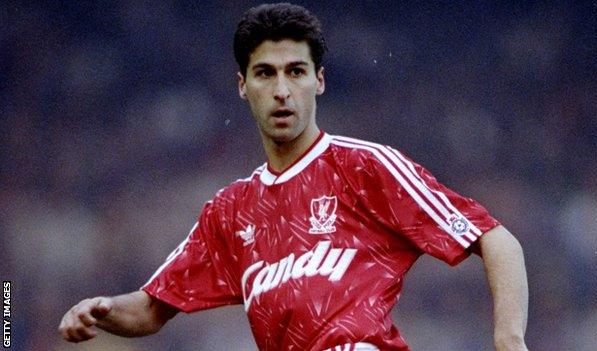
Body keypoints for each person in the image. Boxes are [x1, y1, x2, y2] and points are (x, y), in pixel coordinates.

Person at [58, 3, 529, 350]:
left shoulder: (364, 166)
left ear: (318, 81)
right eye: (265, 74)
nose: (282, 90)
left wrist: (509, 341)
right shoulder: (230, 210)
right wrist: (100, 309)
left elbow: (495, 239)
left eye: (295, 72)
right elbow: (152, 308)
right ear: (243, 86)